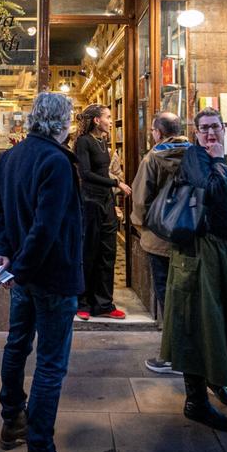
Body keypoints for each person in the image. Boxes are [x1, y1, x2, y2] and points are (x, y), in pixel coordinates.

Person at [0, 91, 92, 452]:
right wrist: (21, 266)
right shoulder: (57, 160)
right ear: (62, 122)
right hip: (51, 276)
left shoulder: (13, 156)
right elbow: (47, 227)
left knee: (17, 345)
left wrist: (5, 256)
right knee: (50, 366)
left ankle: (12, 417)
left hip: (22, 275)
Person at [159, 108, 227, 433]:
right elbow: (211, 191)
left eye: (215, 126)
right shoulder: (195, 155)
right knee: (199, 322)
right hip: (199, 253)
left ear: (223, 127)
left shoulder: (217, 155)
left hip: (223, 250)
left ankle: (216, 380)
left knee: (225, 320)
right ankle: (195, 402)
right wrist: (219, 161)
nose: (210, 133)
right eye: (204, 128)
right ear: (195, 131)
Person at [129, 111, 191, 374]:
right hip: (189, 236)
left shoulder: (153, 157)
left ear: (158, 132)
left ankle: (173, 355)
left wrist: (139, 226)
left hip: (158, 237)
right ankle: (191, 351)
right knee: (188, 296)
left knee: (166, 296)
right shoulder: (195, 154)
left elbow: (141, 199)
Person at [73, 104, 131, 320]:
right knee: (89, 252)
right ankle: (83, 302)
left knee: (108, 253)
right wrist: (116, 182)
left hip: (106, 203)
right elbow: (86, 174)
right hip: (90, 203)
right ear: (96, 120)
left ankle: (104, 304)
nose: (110, 120)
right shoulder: (83, 142)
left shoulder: (103, 141)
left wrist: (111, 188)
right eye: (107, 117)